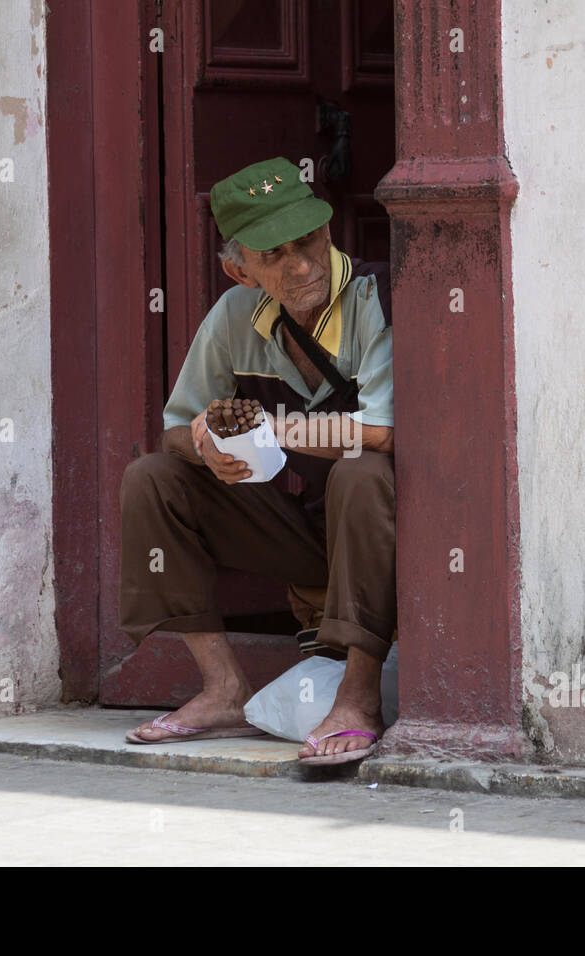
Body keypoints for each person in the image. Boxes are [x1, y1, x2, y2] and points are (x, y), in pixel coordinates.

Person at [117, 156, 396, 764]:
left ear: (329, 231)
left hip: (388, 532)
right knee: (154, 479)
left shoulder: (376, 297)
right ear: (239, 269)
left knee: (360, 469)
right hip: (305, 533)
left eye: (309, 240)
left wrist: (276, 426)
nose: (301, 265)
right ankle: (222, 688)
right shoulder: (233, 318)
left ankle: (359, 695)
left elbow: (379, 431)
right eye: (275, 255)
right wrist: (207, 444)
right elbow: (173, 430)